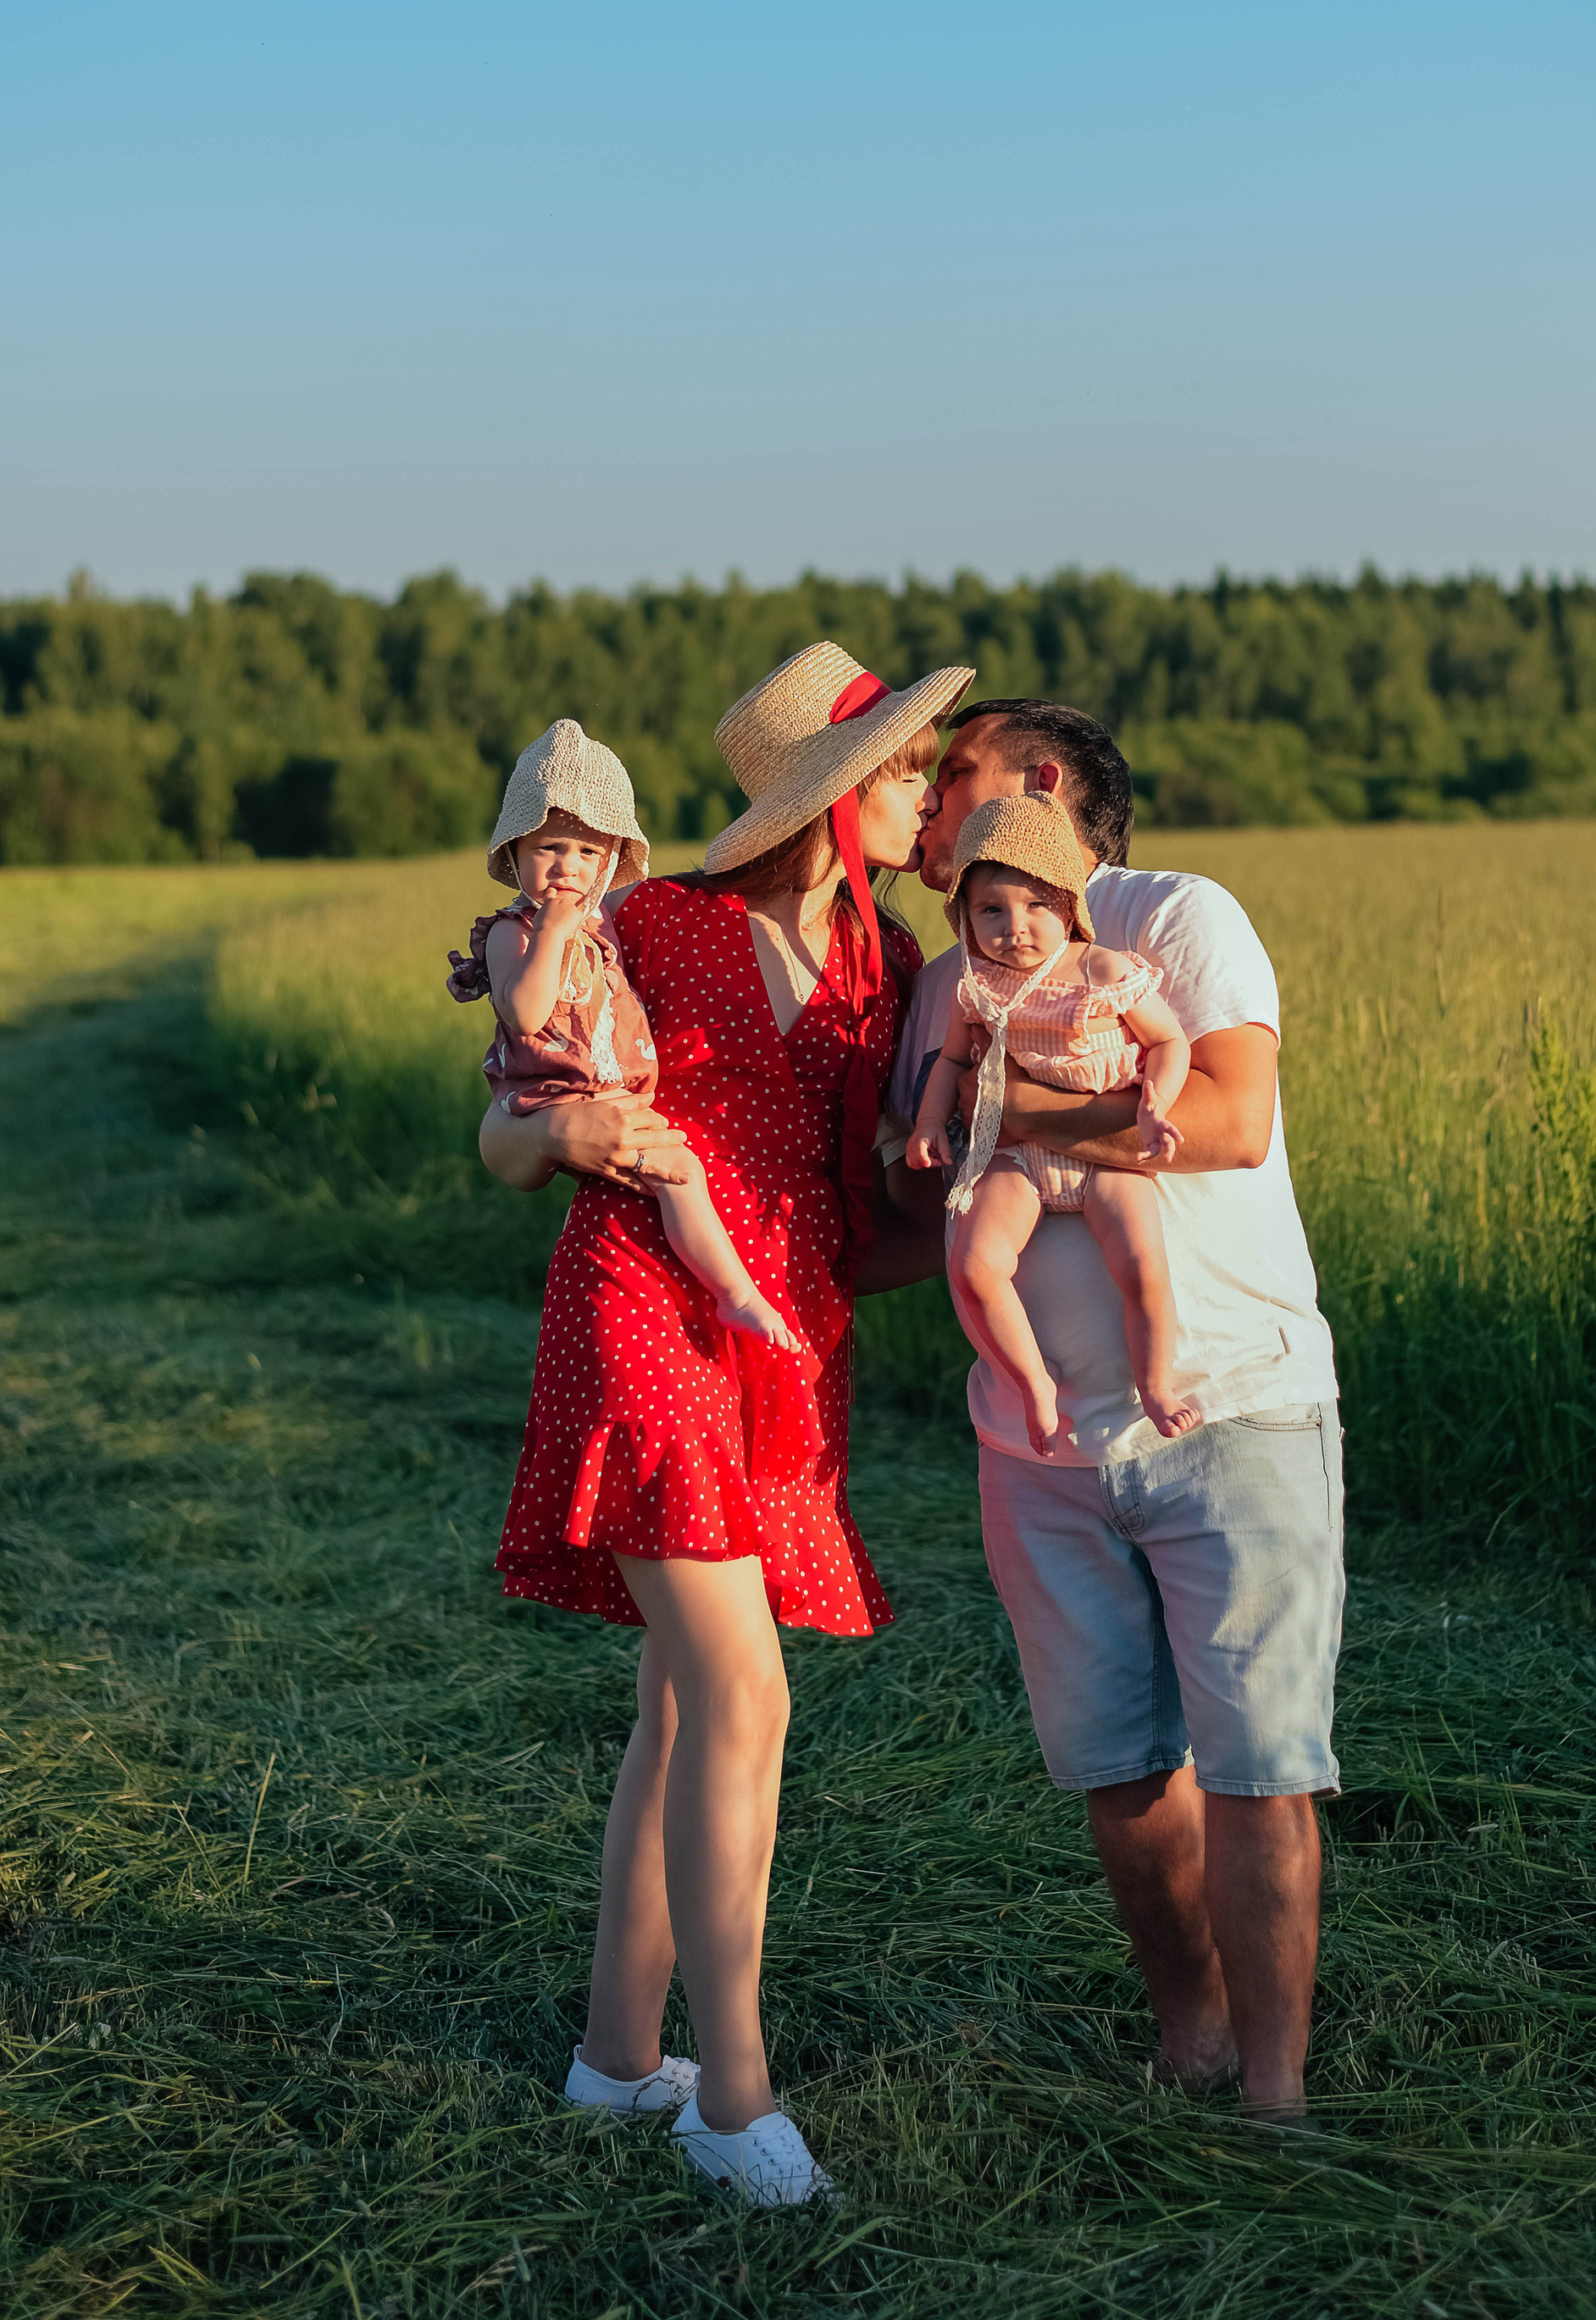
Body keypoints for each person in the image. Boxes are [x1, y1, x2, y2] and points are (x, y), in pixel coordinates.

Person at [476, 643, 973, 2205]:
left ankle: (619, 2062)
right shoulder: (656, 924)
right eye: (901, 771)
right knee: (743, 1694)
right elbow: (501, 1127)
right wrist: (569, 1130)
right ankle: (732, 2093)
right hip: (638, 1309)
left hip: (783, 1347)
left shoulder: (884, 969)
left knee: (685, 1711)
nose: (923, 794)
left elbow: (877, 1186)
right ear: (831, 799)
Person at [887, 699, 1342, 2118]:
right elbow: (915, 1179)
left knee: (1263, 1770)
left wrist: (1017, 1125)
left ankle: (1278, 2099)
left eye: (946, 774)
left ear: (1036, 786)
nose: (921, 803)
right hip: (1040, 1446)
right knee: (1123, 1776)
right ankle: (1190, 2039)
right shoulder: (953, 966)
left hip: (1234, 1407)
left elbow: (1226, 1117)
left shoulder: (1176, 918)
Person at [447, 718, 801, 1357]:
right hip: (556, 1095)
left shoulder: (605, 927)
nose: (567, 868)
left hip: (611, 1094)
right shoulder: (515, 933)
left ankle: (727, 1294)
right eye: (550, 848)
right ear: (517, 853)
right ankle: (735, 1293)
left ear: (610, 861)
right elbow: (525, 1015)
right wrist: (553, 933)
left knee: (679, 1173)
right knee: (678, 1170)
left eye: (588, 853)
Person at [908, 792, 1196, 1452]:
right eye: (992, 910)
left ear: (1069, 905)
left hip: (1102, 1155)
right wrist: (928, 1124)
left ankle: (1156, 1384)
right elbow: (953, 1060)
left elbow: (1169, 1043)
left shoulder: (1101, 971)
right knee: (976, 1264)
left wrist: (1155, 1105)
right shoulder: (974, 986)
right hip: (1017, 1159)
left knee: (1142, 1263)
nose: (1018, 926)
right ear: (964, 920)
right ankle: (1032, 1383)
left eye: (1038, 904)